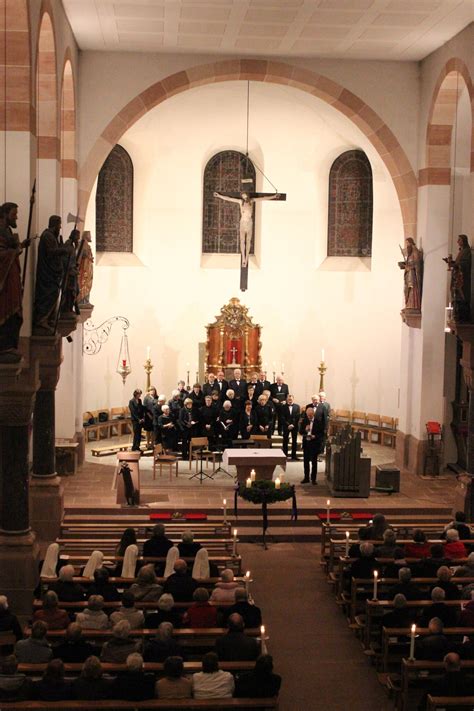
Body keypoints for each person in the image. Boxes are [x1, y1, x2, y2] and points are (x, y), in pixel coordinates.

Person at [214, 190, 279, 269]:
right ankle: (243, 258)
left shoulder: (252, 201)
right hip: (242, 223)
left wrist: (274, 196)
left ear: (247, 195)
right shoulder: (240, 202)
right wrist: (219, 196)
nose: (244, 197)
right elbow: (229, 199)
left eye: (245, 196)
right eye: (243, 196)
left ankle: (246, 258)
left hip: (249, 223)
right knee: (242, 241)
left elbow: (263, 198)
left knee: (248, 241)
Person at [0, 202, 30, 362]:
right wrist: (14, 251)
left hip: (11, 277)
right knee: (6, 309)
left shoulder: (7, 231)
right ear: (5, 214)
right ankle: (4, 348)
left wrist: (21, 245)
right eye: (14, 214)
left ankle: (10, 346)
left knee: (15, 312)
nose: (16, 217)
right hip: (4, 282)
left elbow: (9, 250)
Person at [33, 214, 69, 334]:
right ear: (55, 225)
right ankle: (41, 320)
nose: (60, 228)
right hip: (47, 274)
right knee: (48, 295)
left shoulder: (52, 236)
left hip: (52, 274)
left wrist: (62, 247)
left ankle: (47, 319)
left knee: (52, 295)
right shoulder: (47, 236)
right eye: (59, 225)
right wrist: (64, 250)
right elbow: (51, 252)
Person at [299, 404, 328, 485]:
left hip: (314, 444)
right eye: (308, 415)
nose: (309, 417)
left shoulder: (318, 421)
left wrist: (315, 436)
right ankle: (306, 477)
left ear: (313, 414)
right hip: (306, 443)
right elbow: (300, 432)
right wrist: (305, 430)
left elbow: (322, 434)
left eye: (311, 415)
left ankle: (313, 479)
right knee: (305, 461)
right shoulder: (304, 421)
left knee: (314, 462)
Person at [398, 236, 423, 311]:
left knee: (412, 289)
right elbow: (409, 263)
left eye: (407, 244)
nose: (407, 246)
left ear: (411, 244)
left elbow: (417, 264)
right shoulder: (410, 254)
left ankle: (413, 305)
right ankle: (408, 304)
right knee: (407, 289)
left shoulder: (415, 252)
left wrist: (410, 267)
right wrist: (404, 265)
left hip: (412, 275)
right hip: (408, 274)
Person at [281, 394, 300, 459]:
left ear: (293, 399)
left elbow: (297, 417)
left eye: (291, 399)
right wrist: (288, 425)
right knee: (285, 441)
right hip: (286, 426)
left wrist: (293, 424)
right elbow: (282, 417)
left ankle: (294, 456)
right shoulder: (283, 407)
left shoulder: (297, 406)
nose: (290, 400)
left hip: (294, 426)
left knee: (294, 441)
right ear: (286, 399)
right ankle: (284, 455)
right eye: (288, 399)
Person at [77, 229, 94, 304]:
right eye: (89, 235)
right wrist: (87, 256)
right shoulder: (82, 244)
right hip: (84, 269)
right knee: (84, 283)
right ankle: (82, 300)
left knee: (88, 283)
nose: (91, 237)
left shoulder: (86, 245)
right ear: (86, 236)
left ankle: (86, 300)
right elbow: (80, 255)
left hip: (88, 268)